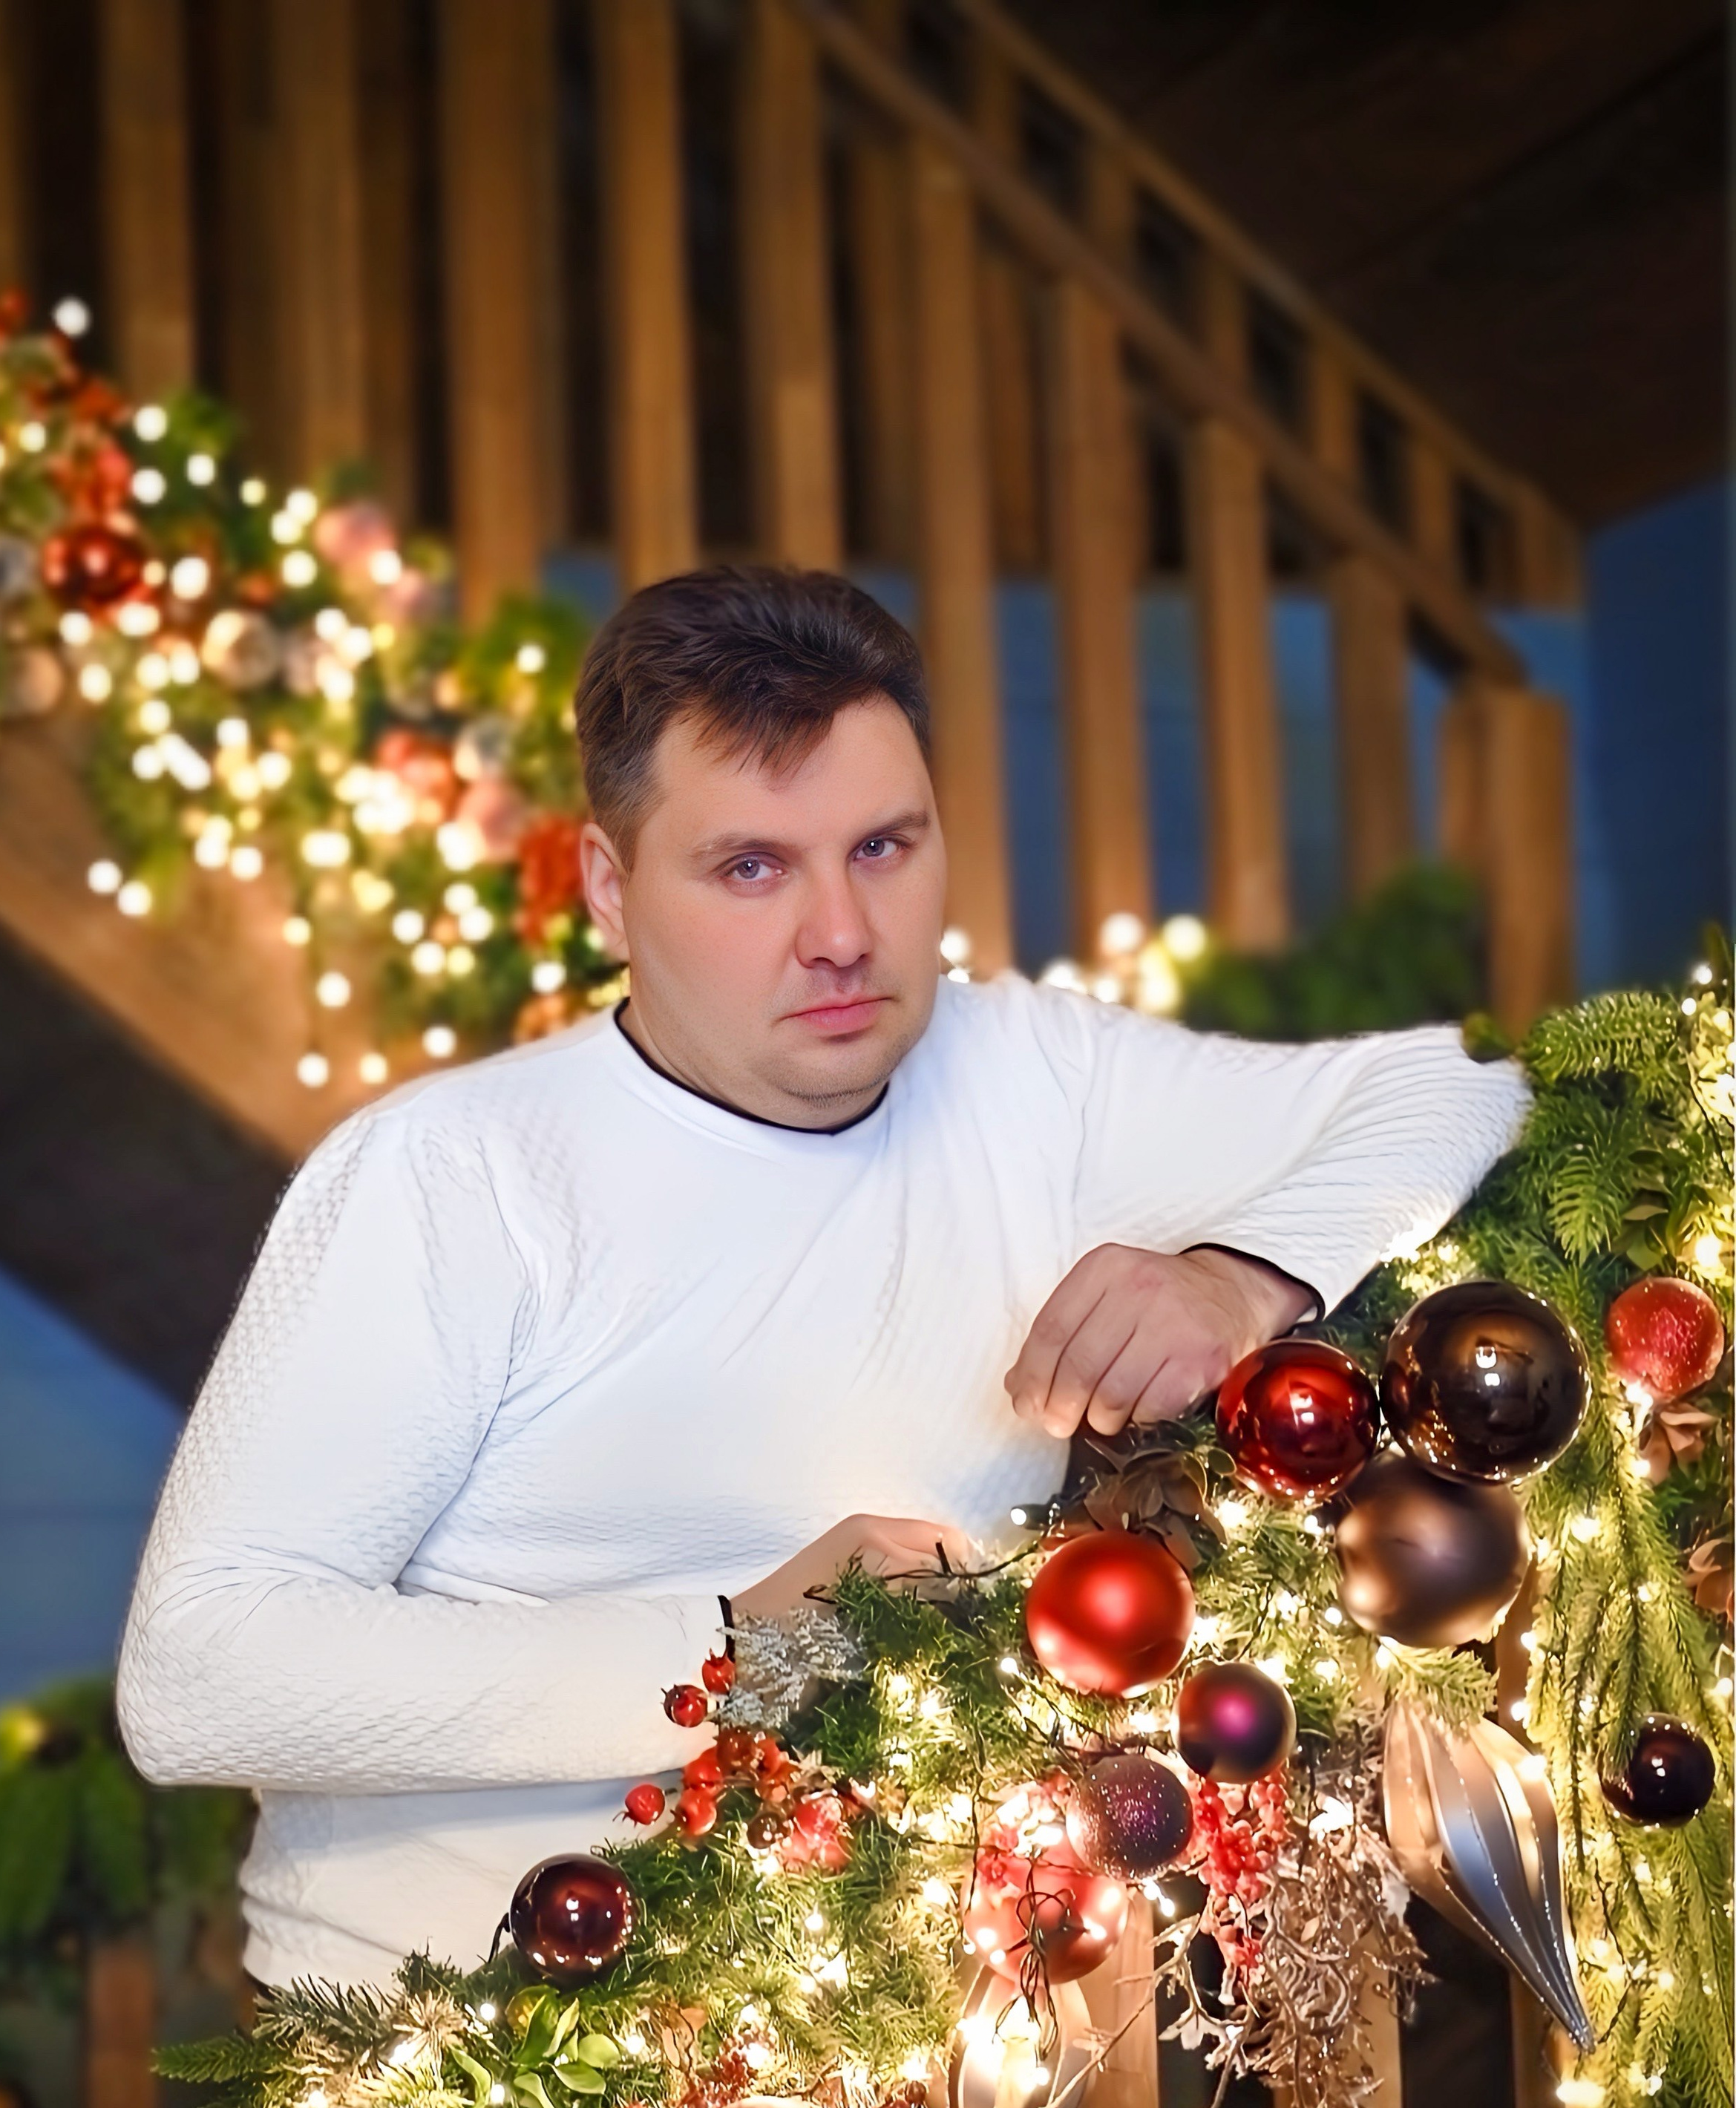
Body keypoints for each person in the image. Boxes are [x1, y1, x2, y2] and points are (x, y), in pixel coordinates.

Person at [118, 565, 1527, 1989]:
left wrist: (1237, 1281)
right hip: (471, 2081)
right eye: (750, 868)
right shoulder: (448, 1178)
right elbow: (196, 1674)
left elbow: (1467, 1090)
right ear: (610, 892)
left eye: (883, 846)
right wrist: (741, 1654)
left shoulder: (1033, 1072)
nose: (842, 934)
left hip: (920, 2034)